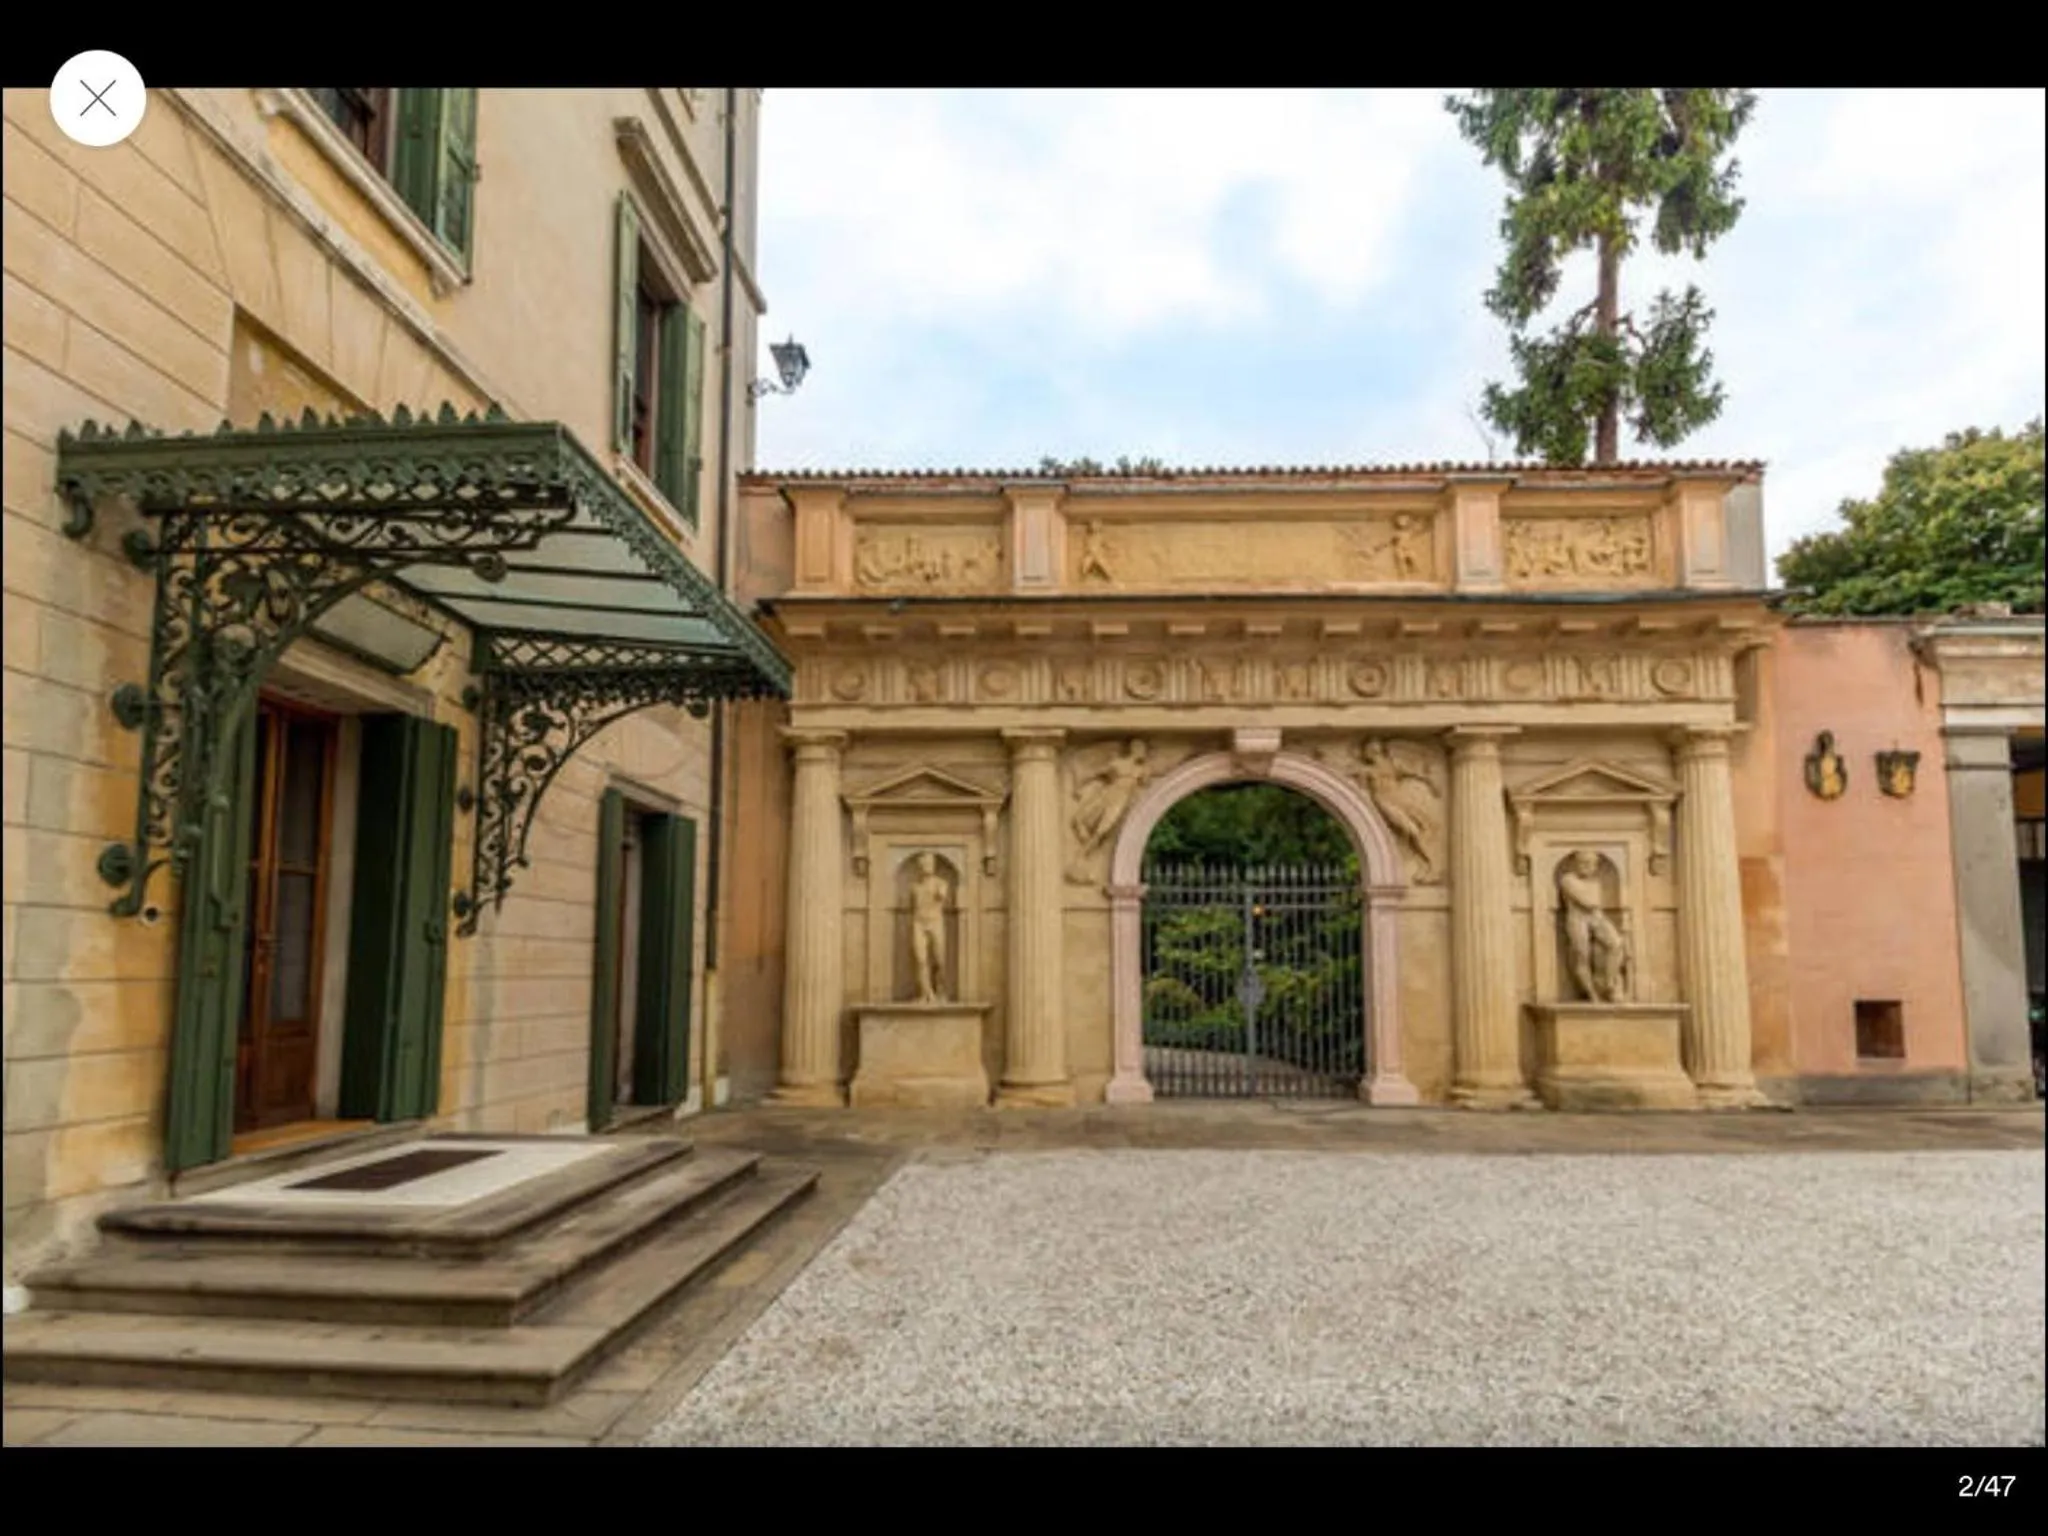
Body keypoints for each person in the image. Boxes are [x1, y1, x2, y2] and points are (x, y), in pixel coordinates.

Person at [1557, 849, 1631, 1003]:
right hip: (1578, 919)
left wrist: (1594, 905)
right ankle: (1592, 994)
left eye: (1591, 864)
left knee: (1616, 944)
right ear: (1575, 863)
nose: (1587, 867)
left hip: (1596, 917)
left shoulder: (1594, 882)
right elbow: (1588, 902)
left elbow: (1594, 904)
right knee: (1582, 956)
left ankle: (1609, 983)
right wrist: (1592, 902)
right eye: (1583, 863)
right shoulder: (1568, 879)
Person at [909, 852, 950, 1003]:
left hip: (935, 922)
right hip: (918, 923)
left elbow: (942, 896)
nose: (927, 866)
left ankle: (940, 990)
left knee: (939, 959)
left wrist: (939, 893)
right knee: (920, 959)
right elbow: (912, 906)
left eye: (929, 863)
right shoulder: (914, 887)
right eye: (924, 863)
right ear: (919, 866)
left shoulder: (941, 883)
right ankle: (925, 993)